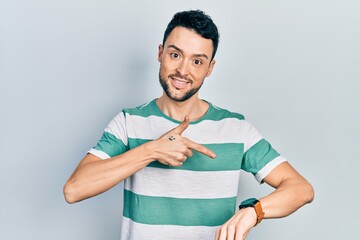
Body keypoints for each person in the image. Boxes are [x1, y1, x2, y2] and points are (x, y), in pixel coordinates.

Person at [64, 9, 314, 240]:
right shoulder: (129, 122)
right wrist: (151, 150)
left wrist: (254, 211)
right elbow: (74, 190)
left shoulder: (236, 129)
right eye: (175, 55)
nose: (183, 70)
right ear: (160, 53)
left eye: (197, 61)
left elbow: (301, 189)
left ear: (209, 68)